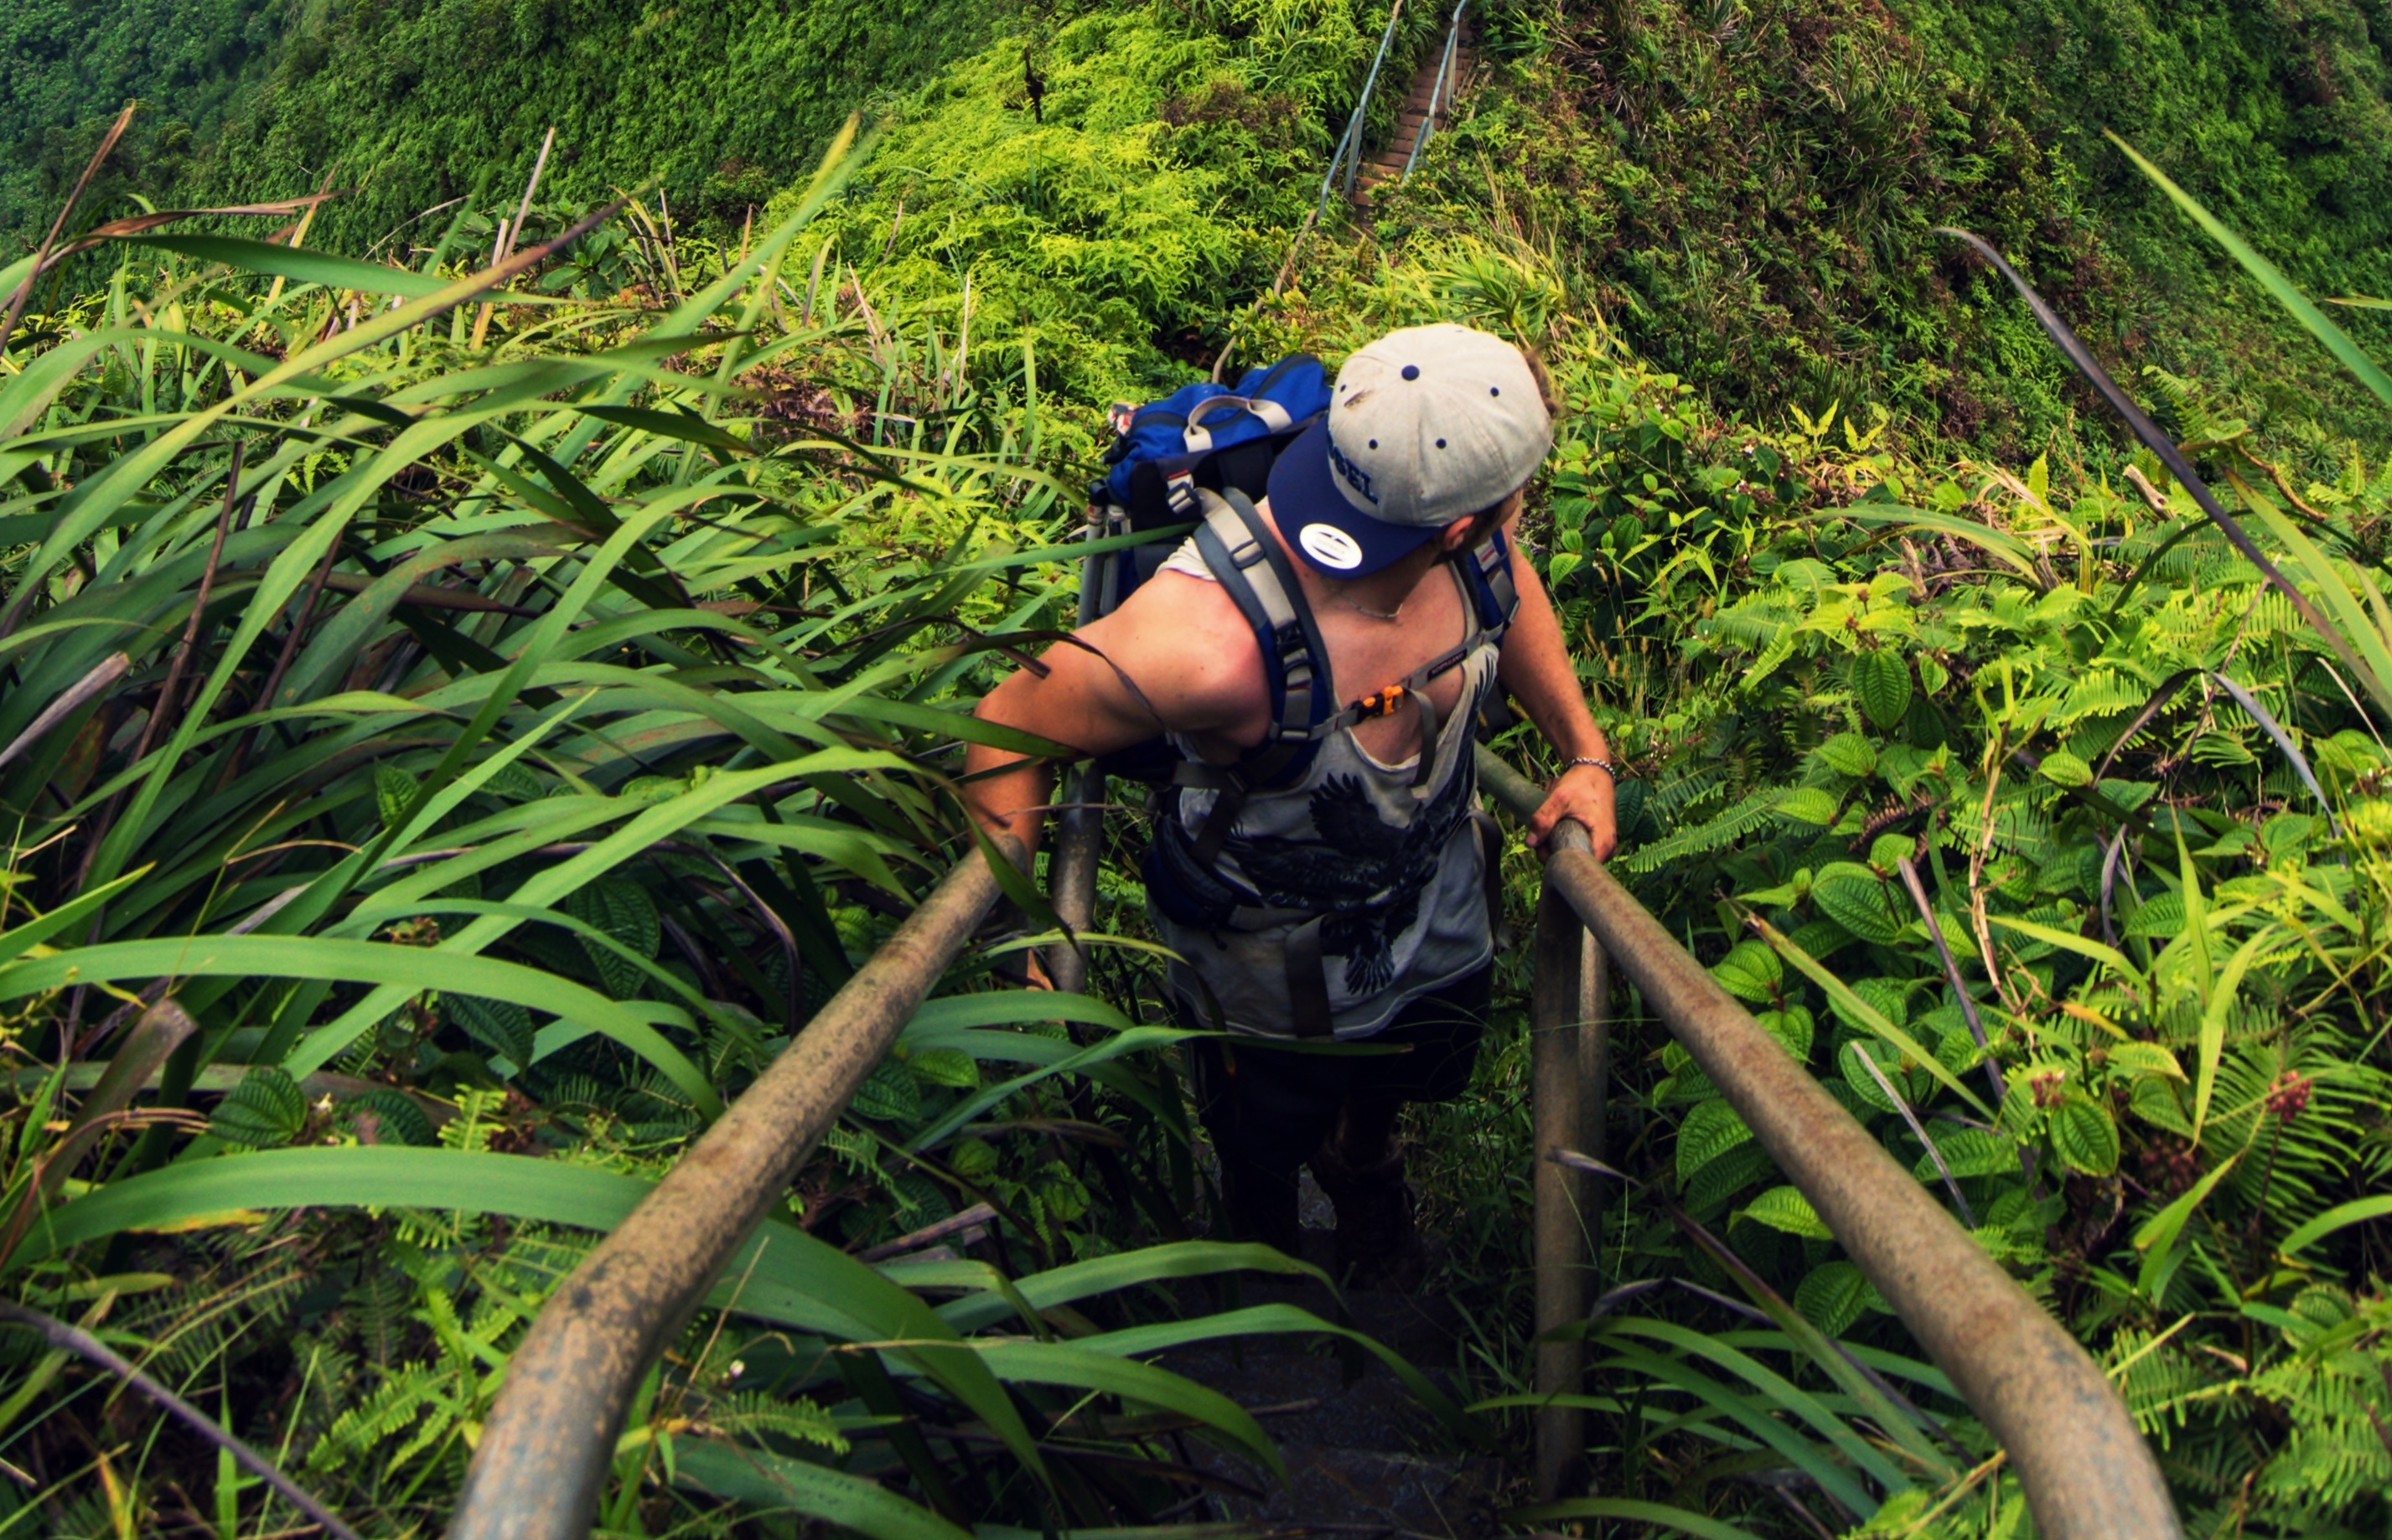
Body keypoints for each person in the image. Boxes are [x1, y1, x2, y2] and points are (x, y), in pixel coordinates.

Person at [964, 323, 1621, 1284]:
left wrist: (1585, 751)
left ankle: (1362, 1165)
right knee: (1262, 1125)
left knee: (1401, 1067)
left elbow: (1506, 591)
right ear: (1455, 523)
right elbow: (1012, 719)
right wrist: (1022, 949)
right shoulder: (1206, 640)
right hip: (1265, 971)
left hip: (1430, 911)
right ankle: (1261, 1244)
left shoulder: (1468, 537)